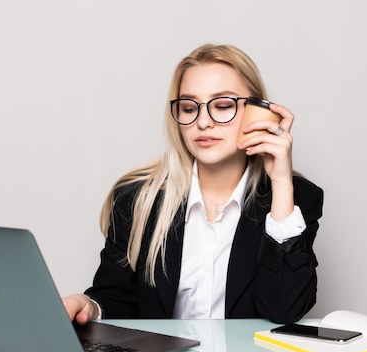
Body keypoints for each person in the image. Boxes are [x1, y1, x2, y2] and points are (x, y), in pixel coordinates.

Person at [62, 44, 323, 325]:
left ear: (256, 112)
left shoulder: (295, 199)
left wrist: (281, 182)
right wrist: (88, 305)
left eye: (222, 106)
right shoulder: (138, 197)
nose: (203, 121)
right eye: (188, 108)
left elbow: (284, 309)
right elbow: (116, 298)